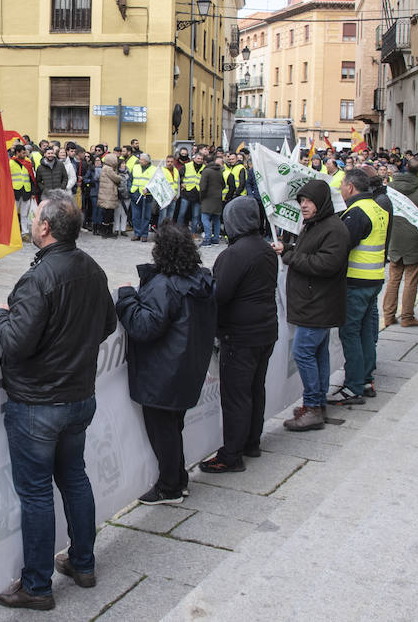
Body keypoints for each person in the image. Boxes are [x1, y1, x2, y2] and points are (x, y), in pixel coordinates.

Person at [0, 191, 117, 610]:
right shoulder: (91, 268)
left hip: (39, 404)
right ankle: (82, 563)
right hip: (77, 397)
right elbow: (106, 324)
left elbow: (15, 343)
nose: (30, 221)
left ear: (45, 227)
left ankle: (38, 585)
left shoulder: (39, 277)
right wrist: (73, 350)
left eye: (34, 217)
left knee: (39, 493)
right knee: (74, 478)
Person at [115, 223, 217, 503]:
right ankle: (178, 479)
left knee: (163, 431)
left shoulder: (166, 285)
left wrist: (126, 297)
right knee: (172, 427)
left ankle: (170, 486)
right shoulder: (201, 280)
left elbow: (144, 326)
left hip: (164, 373)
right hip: (186, 368)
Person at [199, 196, 279, 472]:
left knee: (236, 396)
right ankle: (251, 441)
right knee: (256, 389)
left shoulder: (234, 254)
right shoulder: (265, 249)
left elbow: (219, 295)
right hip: (265, 330)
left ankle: (231, 454)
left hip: (240, 336)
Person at [274, 179, 349, 431]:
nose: (304, 206)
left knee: (304, 353)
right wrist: (289, 247)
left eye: (308, 201)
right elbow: (309, 249)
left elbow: (325, 264)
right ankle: (316, 404)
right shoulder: (316, 225)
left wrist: (289, 256)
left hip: (318, 304)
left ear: (321, 202)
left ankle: (314, 407)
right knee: (317, 353)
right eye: (302, 201)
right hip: (313, 302)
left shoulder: (334, 229)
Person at [328, 169, 392, 404]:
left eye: (342, 185)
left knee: (350, 332)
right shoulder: (378, 207)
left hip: (356, 280)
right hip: (373, 278)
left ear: (351, 187)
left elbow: (342, 246)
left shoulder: (356, 212)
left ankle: (354, 385)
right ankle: (365, 378)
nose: (341, 189)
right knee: (366, 330)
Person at [380, 156, 418, 329]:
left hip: (394, 237)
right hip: (415, 239)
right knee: (411, 279)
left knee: (393, 278)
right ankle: (407, 316)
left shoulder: (390, 187)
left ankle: (388, 316)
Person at [197, 151, 226, 246]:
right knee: (216, 219)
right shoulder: (219, 171)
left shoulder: (206, 171)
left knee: (205, 218)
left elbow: (203, 187)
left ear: (205, 162)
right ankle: (216, 239)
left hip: (207, 199)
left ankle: (207, 239)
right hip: (217, 199)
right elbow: (223, 184)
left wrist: (201, 197)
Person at [129, 153, 158, 242]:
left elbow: (155, 183)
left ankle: (144, 234)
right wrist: (130, 190)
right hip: (135, 194)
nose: (140, 161)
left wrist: (148, 191)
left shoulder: (154, 170)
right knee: (135, 216)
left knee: (146, 216)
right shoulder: (135, 167)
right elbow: (130, 180)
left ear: (146, 161)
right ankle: (137, 233)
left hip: (147, 196)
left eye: (141, 160)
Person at [96, 152, 122, 238]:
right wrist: (120, 176)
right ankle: (106, 232)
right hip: (108, 195)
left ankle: (107, 231)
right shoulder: (109, 169)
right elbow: (116, 178)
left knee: (109, 213)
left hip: (106, 194)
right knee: (108, 214)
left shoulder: (105, 168)